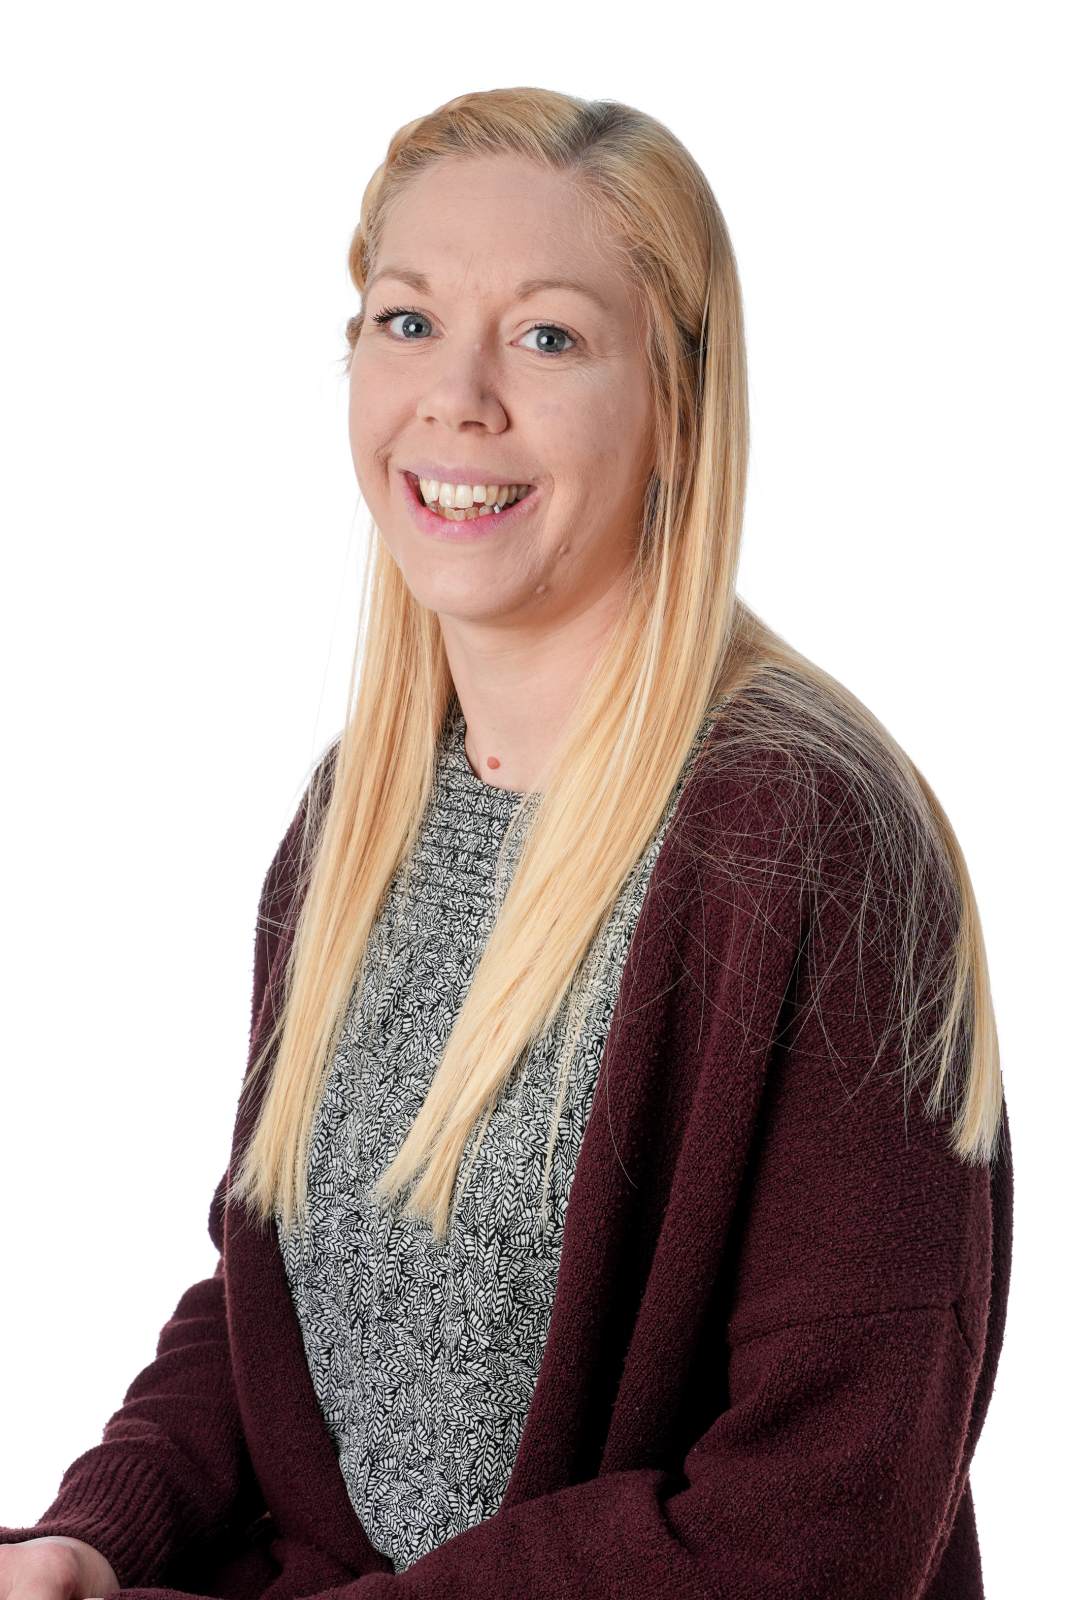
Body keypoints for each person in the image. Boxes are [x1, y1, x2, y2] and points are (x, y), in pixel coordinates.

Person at [0, 85, 1011, 1600]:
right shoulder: (354, 821)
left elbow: (823, 1513)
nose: (456, 397)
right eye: (406, 321)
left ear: (675, 406)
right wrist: (98, 1529)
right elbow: (280, 1313)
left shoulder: (803, 841)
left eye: (546, 337)